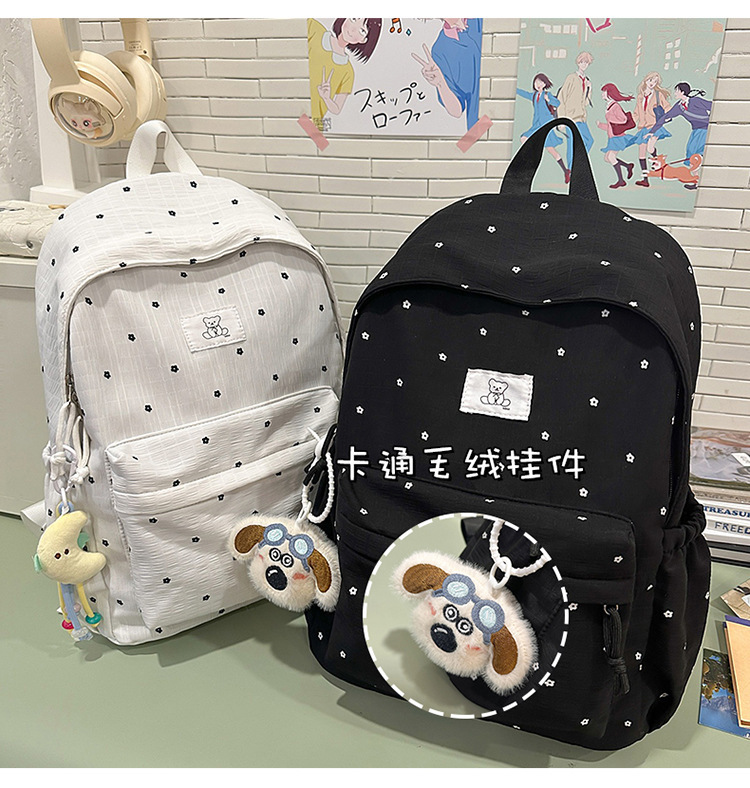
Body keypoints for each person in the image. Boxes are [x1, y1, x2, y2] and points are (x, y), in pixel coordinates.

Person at [308, 18, 382, 129]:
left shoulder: (348, 71)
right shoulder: (314, 29)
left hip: (311, 124)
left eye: (362, 30)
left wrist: (326, 98)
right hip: (289, 106)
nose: (353, 29)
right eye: (353, 19)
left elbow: (337, 109)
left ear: (364, 40)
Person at [412, 18, 483, 131]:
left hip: (506, 112)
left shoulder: (479, 20)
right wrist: (440, 83)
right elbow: (456, 111)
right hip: (481, 128)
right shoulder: (439, 50)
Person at [648, 82, 712, 185]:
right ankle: (696, 182)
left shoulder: (696, 101)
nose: (675, 93)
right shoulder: (679, 106)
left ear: (682, 92)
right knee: (690, 153)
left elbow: (712, 106)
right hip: (696, 130)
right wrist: (652, 131)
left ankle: (700, 160)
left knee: (697, 153)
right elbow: (666, 117)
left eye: (676, 91)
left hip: (706, 128)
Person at [516, 73, 570, 183]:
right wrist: (514, 89)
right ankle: (531, 163)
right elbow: (524, 93)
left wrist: (548, 99)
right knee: (524, 138)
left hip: (546, 125)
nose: (538, 84)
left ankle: (566, 171)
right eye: (536, 82)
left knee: (551, 150)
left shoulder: (547, 94)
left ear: (545, 84)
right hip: (537, 125)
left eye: (541, 82)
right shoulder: (534, 96)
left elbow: (557, 103)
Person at [631, 72, 672, 187]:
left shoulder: (658, 95)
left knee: (650, 148)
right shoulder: (640, 97)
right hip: (642, 127)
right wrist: (627, 122)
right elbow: (636, 112)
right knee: (641, 153)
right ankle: (645, 179)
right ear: (646, 80)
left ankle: (657, 161)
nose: (652, 83)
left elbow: (667, 107)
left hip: (654, 126)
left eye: (655, 82)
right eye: (651, 80)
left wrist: (668, 116)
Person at [556, 52, 595, 169]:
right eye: (582, 62)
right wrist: (561, 120)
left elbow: (586, 102)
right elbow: (561, 98)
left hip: (581, 117)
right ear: (578, 62)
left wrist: (589, 89)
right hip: (570, 117)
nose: (584, 64)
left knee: (589, 140)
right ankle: (571, 169)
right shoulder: (571, 78)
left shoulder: (586, 80)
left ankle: (576, 164)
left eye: (586, 62)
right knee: (572, 144)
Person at [597, 83, 636, 189]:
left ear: (609, 93)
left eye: (604, 92)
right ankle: (628, 166)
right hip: (612, 137)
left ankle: (621, 181)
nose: (602, 94)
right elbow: (611, 126)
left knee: (610, 157)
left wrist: (610, 118)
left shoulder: (615, 106)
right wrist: (600, 125)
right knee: (607, 158)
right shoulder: (609, 106)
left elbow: (623, 119)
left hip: (618, 137)